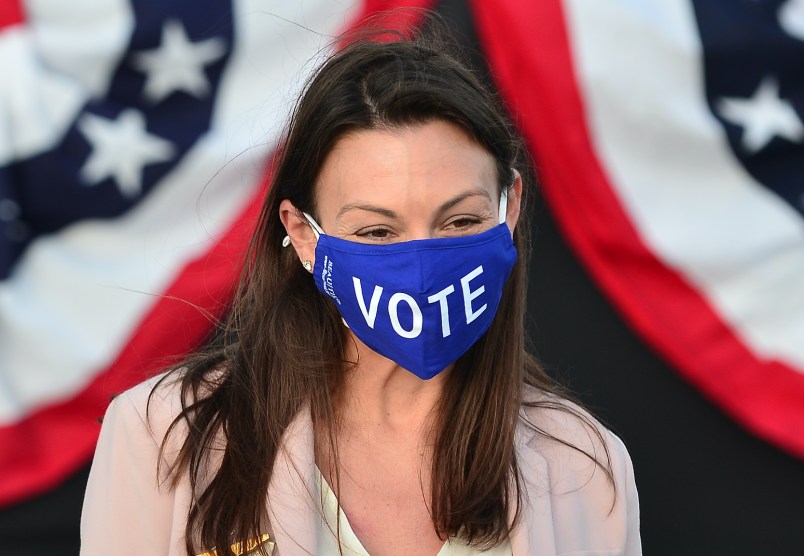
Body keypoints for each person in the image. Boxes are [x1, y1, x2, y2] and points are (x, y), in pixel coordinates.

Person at [80, 27, 641, 556]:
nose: (421, 261)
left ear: (509, 207)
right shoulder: (163, 439)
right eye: (376, 231)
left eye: (460, 222)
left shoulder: (586, 465)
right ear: (303, 235)